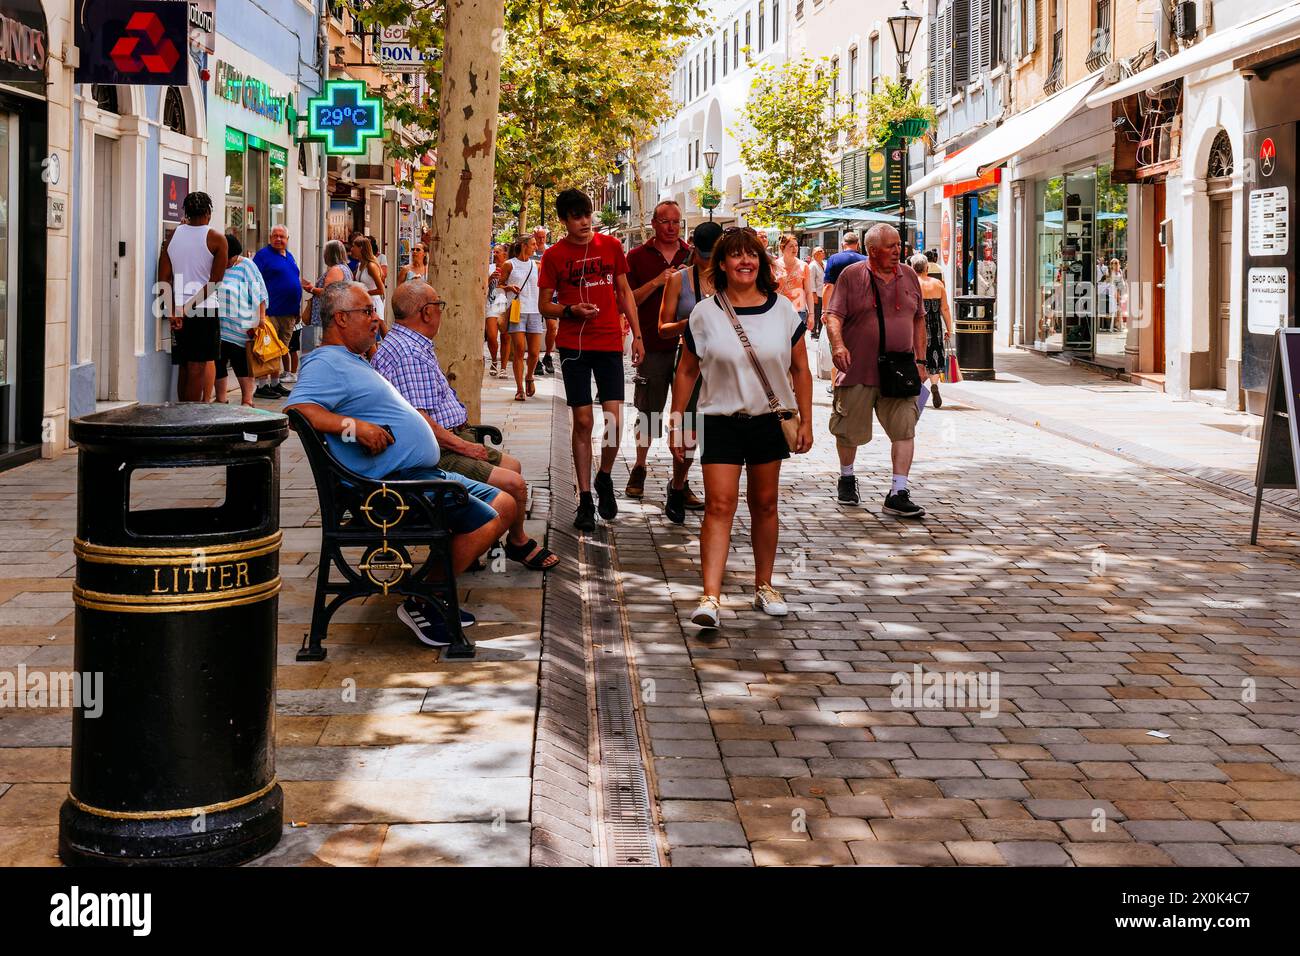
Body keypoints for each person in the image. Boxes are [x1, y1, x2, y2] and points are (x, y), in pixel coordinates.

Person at [285, 281, 515, 647]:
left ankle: (432, 594)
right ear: (342, 319)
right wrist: (354, 426)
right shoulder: (326, 361)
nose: (376, 319)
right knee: (490, 518)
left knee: (504, 502)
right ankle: (422, 599)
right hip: (388, 490)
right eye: (368, 312)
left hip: (416, 476)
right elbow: (297, 409)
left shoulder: (350, 358)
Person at [668, 227, 813, 628]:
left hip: (769, 422)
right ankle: (710, 596)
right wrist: (676, 421)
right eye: (736, 256)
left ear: (762, 263)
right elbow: (686, 371)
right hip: (720, 421)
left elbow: (801, 370)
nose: (745, 262)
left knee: (765, 504)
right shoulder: (704, 314)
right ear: (722, 264)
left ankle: (764, 585)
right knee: (718, 505)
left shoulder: (783, 309)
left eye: (753, 255)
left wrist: (807, 421)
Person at [375, 280, 559, 572]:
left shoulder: (408, 342)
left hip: (449, 438)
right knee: (514, 486)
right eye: (439, 306)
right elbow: (419, 421)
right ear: (426, 312)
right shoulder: (408, 353)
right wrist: (464, 447)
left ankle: (499, 538)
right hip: (438, 450)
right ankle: (517, 541)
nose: (441, 312)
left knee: (513, 467)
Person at [538, 188, 644, 532]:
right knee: (583, 421)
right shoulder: (553, 256)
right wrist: (569, 310)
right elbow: (544, 305)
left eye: (587, 214)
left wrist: (637, 336)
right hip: (574, 347)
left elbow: (624, 291)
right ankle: (584, 498)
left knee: (614, 420)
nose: (584, 222)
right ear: (564, 221)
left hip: (610, 343)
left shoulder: (611, 247)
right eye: (576, 216)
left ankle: (604, 476)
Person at [824, 223, 927, 518]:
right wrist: (838, 346)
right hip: (858, 369)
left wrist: (920, 360)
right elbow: (833, 315)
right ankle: (846, 476)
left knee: (904, 429)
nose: (898, 251)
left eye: (899, 245)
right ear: (871, 250)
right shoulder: (852, 276)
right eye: (890, 246)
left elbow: (919, 319)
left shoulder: (908, 275)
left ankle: (898, 492)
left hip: (900, 371)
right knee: (848, 431)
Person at [625, 199, 692, 504]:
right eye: (665, 221)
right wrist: (656, 282)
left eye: (676, 222)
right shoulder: (637, 257)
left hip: (690, 349)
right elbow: (627, 302)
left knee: (690, 416)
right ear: (653, 223)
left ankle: (681, 480)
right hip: (653, 345)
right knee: (648, 410)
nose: (671, 227)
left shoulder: (692, 255)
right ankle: (639, 466)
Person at [656, 221, 721, 522]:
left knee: (721, 432)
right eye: (705, 253)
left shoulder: (732, 278)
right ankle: (678, 484)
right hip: (692, 360)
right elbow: (663, 329)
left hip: (725, 363)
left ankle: (718, 495)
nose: (709, 260)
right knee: (688, 431)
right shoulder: (679, 280)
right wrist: (691, 322)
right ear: (693, 246)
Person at [158, 191, 227, 403]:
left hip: (177, 307)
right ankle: (190, 417)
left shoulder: (173, 236)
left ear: (186, 212)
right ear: (208, 212)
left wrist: (173, 311)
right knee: (198, 366)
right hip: (203, 309)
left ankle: (181, 413)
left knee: (185, 365)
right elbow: (214, 282)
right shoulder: (216, 238)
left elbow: (163, 279)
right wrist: (186, 309)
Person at [252, 225, 306, 398]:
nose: (278, 239)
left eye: (282, 236)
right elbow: (254, 282)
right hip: (270, 311)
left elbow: (294, 282)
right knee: (267, 349)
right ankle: (262, 386)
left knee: (281, 349)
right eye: (275, 236)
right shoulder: (263, 256)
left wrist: (297, 309)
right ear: (270, 237)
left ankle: (275, 383)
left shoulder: (289, 256)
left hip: (289, 312)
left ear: (287, 239)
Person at [215, 232, 266, 407]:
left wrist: (261, 319)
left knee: (241, 362)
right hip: (219, 324)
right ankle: (221, 398)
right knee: (219, 362)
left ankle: (247, 399)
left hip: (242, 325)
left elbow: (259, 294)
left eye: (229, 258)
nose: (226, 261)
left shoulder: (247, 266)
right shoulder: (217, 265)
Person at [503, 236, 544, 400]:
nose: (535, 247)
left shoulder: (536, 265)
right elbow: (499, 285)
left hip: (534, 310)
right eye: (533, 244)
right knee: (519, 349)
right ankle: (519, 388)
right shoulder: (510, 264)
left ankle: (529, 377)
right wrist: (508, 287)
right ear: (523, 246)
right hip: (517, 310)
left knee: (534, 353)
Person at [911, 253, 954, 408]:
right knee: (935, 357)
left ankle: (918, 394)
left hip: (918, 326)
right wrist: (949, 328)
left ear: (912, 267)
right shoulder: (938, 284)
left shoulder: (912, 283)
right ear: (927, 268)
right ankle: (934, 386)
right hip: (935, 327)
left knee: (919, 358)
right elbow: (945, 308)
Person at [305, 239, 353, 354]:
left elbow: (328, 292)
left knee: (315, 351)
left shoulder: (335, 270)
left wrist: (311, 289)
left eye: (325, 253)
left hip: (323, 320)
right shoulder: (345, 269)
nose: (324, 256)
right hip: (332, 317)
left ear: (330, 254)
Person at [531, 226, 558, 377]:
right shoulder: (529, 251)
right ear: (534, 235)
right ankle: (535, 360)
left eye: (543, 237)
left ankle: (548, 356)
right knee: (534, 329)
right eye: (539, 237)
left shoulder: (551, 251)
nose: (541, 240)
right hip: (533, 295)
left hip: (550, 294)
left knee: (552, 327)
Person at [775, 234, 814, 328]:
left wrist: (811, 314)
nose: (795, 249)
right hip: (779, 311)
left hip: (799, 311)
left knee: (798, 342)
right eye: (791, 246)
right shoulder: (774, 266)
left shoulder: (803, 266)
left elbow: (808, 292)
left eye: (796, 246)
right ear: (782, 248)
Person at [821, 231, 866, 312]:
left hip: (839, 308)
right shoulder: (866, 260)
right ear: (858, 244)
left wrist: (824, 310)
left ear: (843, 244)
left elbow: (828, 287)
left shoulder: (833, 258)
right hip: (861, 308)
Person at [484, 243, 510, 378]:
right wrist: (490, 278)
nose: (494, 255)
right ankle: (494, 360)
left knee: (505, 337)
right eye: (493, 252)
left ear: (505, 254)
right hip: (492, 302)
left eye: (497, 252)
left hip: (505, 303)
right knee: (492, 337)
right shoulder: (489, 268)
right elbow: (482, 286)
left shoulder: (510, 267)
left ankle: (504, 367)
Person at [351, 234, 386, 327]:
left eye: (354, 246)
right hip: (364, 305)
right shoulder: (359, 265)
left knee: (374, 336)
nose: (351, 249)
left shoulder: (371, 266)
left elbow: (381, 290)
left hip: (373, 305)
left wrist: (364, 293)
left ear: (361, 248)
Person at [808, 247, 826, 338]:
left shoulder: (824, 264)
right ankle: (813, 332)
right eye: (820, 251)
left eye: (823, 250)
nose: (823, 252)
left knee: (822, 313)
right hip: (817, 294)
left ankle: (820, 331)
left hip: (824, 293)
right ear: (815, 254)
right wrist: (813, 294)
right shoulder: (812, 265)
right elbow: (811, 281)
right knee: (816, 313)